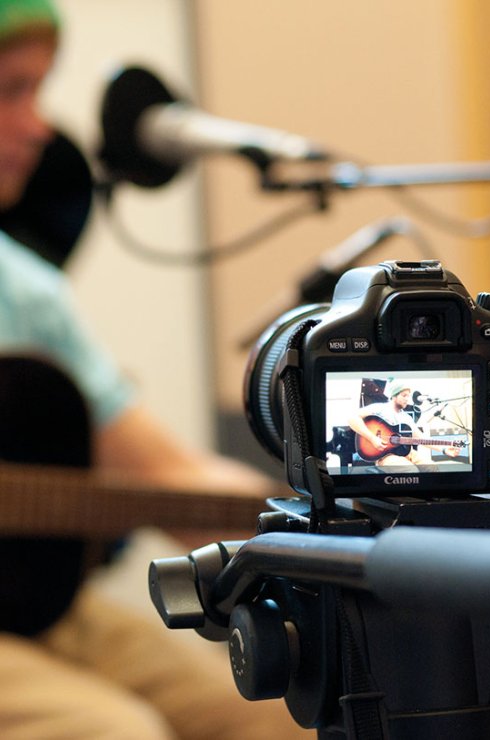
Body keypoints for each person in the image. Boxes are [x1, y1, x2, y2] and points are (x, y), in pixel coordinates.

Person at [0, 1, 311, 737]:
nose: (40, 125)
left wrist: (329, 518)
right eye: (12, 89)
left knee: (280, 715)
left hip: (38, 613)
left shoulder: (25, 290)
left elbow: (171, 482)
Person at [348, 377, 462, 472]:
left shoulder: (406, 417)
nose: (407, 399)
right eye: (404, 395)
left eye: (408, 396)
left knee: (432, 468)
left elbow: (421, 438)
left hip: (407, 452)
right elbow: (352, 418)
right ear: (394, 396)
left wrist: (444, 449)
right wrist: (372, 438)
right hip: (386, 455)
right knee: (411, 472)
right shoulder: (379, 408)